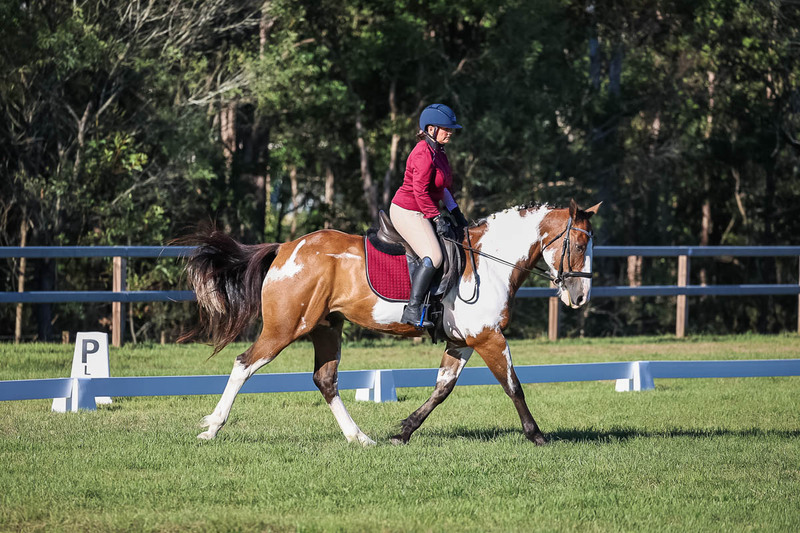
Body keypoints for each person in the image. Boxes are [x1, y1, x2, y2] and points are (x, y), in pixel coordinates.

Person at [390, 103, 469, 328]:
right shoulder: (422, 152)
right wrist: (436, 217)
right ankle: (412, 309)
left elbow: (442, 188)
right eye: (446, 128)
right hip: (407, 210)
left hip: (423, 209)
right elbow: (420, 191)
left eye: (451, 129)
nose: (450, 132)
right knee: (434, 256)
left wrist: (456, 212)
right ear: (431, 129)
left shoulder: (439, 153)